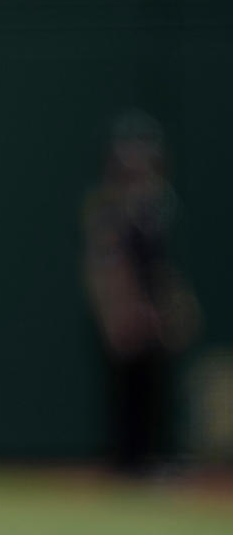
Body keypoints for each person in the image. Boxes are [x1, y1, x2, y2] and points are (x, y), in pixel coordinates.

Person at [81, 110, 200, 475]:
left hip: (153, 317)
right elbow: (104, 265)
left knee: (154, 390)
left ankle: (152, 460)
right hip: (126, 317)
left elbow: (160, 269)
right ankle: (128, 464)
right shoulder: (107, 210)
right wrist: (120, 311)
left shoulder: (156, 208)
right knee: (126, 394)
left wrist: (173, 306)